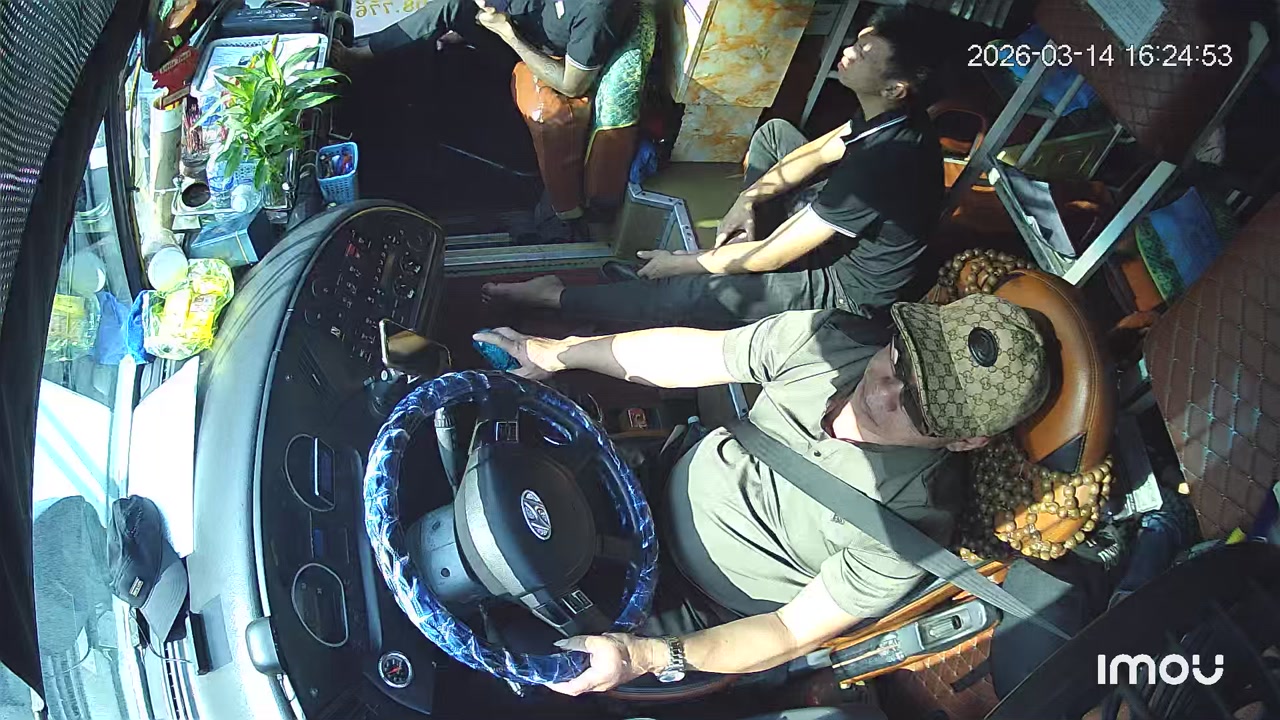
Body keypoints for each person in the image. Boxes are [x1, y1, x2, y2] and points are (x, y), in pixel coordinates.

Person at [472, 292, 1050, 694]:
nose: (885, 392)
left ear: (965, 441)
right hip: (644, 485)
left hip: (689, 605)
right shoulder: (829, 342)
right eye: (901, 358)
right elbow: (690, 357)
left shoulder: (911, 523)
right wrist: (554, 353)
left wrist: (641, 656)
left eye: (921, 407)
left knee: (508, 668)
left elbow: (789, 632)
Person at [483, 6, 946, 330]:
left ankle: (554, 295)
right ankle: (735, 251)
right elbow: (819, 152)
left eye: (865, 53)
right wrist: (748, 199)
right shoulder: (888, 117)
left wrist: (682, 264)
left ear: (895, 89)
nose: (848, 51)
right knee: (775, 135)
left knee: (691, 293)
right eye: (858, 41)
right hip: (828, 235)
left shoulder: (883, 163)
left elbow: (773, 256)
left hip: (843, 289)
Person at [336, 0, 633, 99]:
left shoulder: (598, 12)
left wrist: (507, 34)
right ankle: (376, 47)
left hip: (525, 48)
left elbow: (572, 85)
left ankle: (357, 59)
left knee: (450, 6)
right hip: (517, 18)